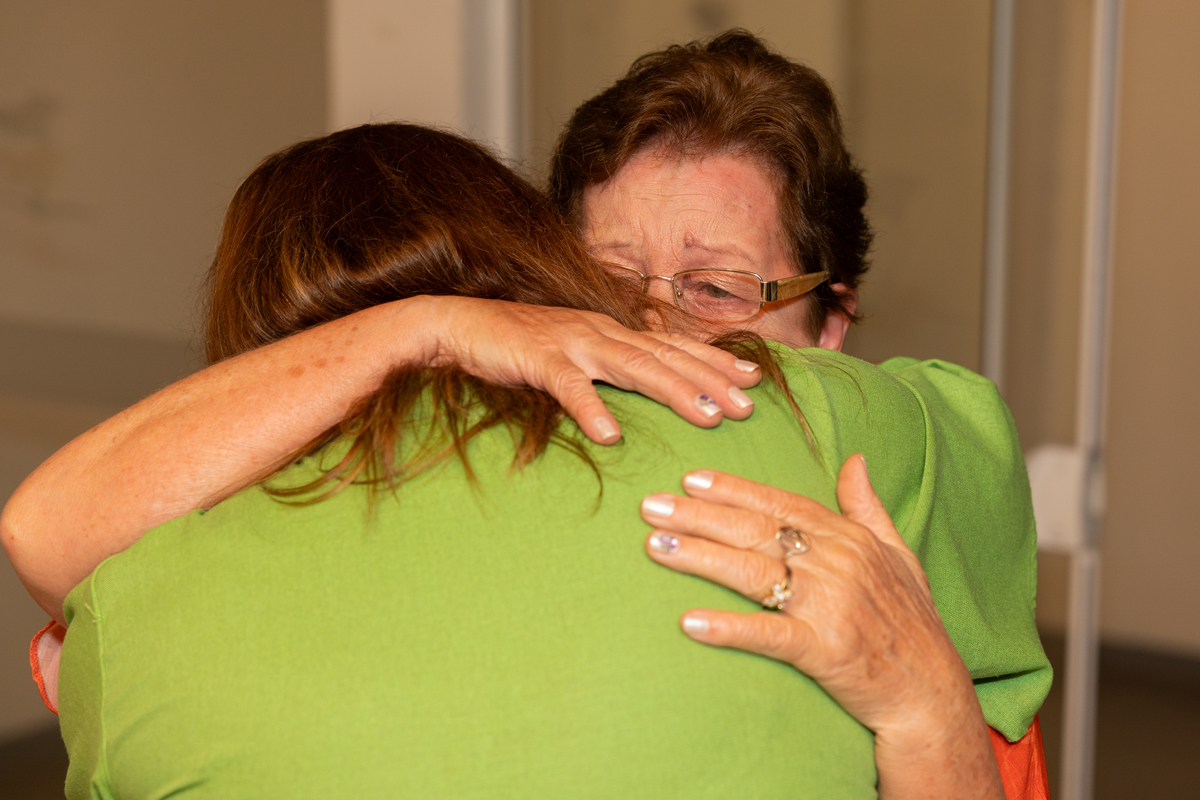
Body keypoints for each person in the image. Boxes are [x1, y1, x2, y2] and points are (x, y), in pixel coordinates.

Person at [2, 31, 1050, 796]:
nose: (654, 323)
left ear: (833, 328)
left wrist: (926, 702)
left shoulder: (863, 450)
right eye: (606, 282)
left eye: (717, 289)